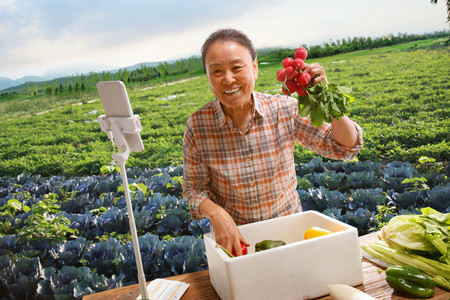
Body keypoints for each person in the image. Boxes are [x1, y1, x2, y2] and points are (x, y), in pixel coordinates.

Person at [182, 28, 363, 256]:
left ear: (255, 68)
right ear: (208, 76)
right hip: (238, 242)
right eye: (216, 71)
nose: (228, 79)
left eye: (237, 67)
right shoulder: (198, 126)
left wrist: (324, 95)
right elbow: (194, 189)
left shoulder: (283, 109)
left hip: (289, 235)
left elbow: (343, 147)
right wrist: (217, 214)